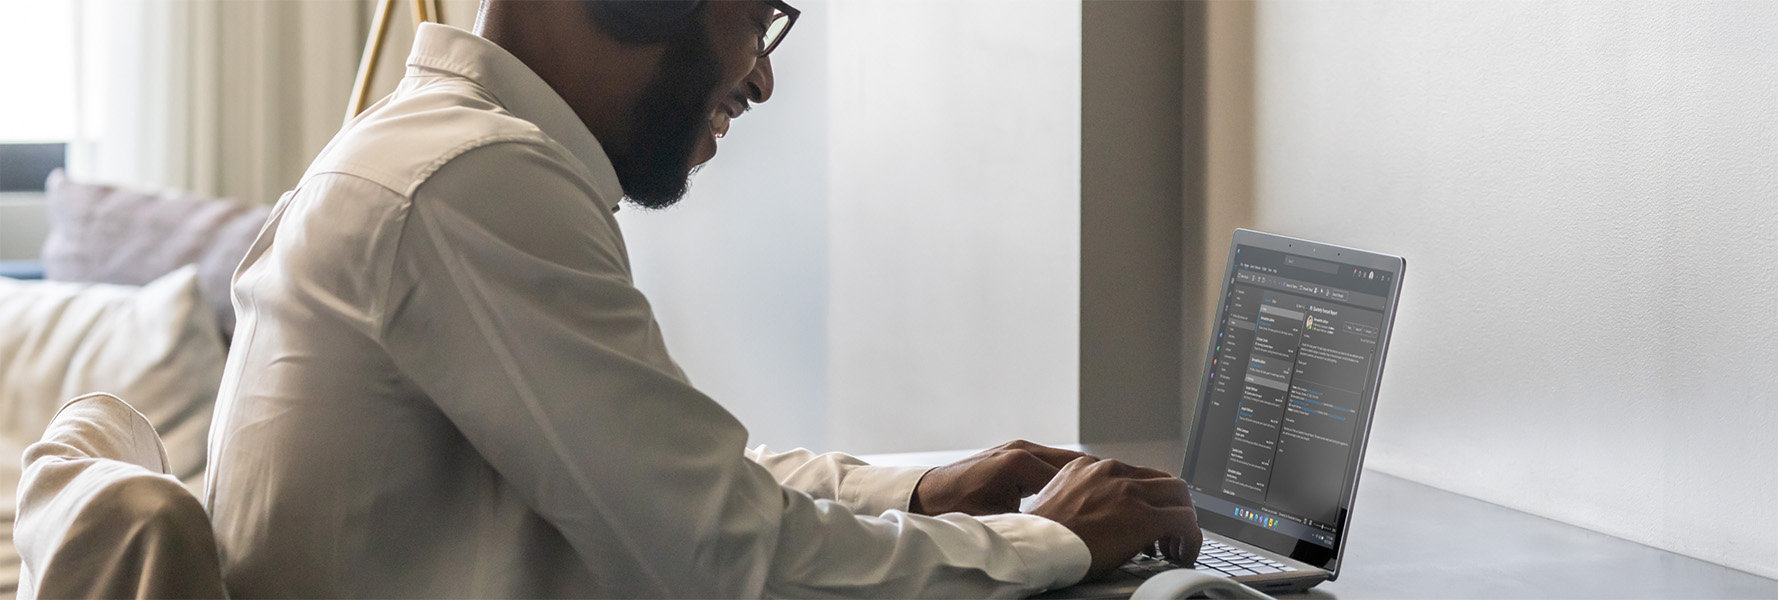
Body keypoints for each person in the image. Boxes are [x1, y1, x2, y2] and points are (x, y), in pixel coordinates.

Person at [203, 0, 1201, 596]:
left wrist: (915, 491)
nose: (760, 80)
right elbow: (725, 566)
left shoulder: (421, 151)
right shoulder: (473, 182)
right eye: (754, 14)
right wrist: (1048, 541)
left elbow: (657, 478)